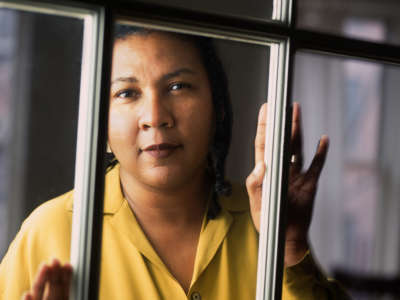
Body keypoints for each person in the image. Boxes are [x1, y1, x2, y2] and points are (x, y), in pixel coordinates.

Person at [0, 25, 349, 300]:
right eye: (126, 93)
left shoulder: (266, 223)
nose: (155, 116)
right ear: (99, 121)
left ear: (219, 109)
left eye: (179, 86)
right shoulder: (51, 233)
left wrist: (290, 247)